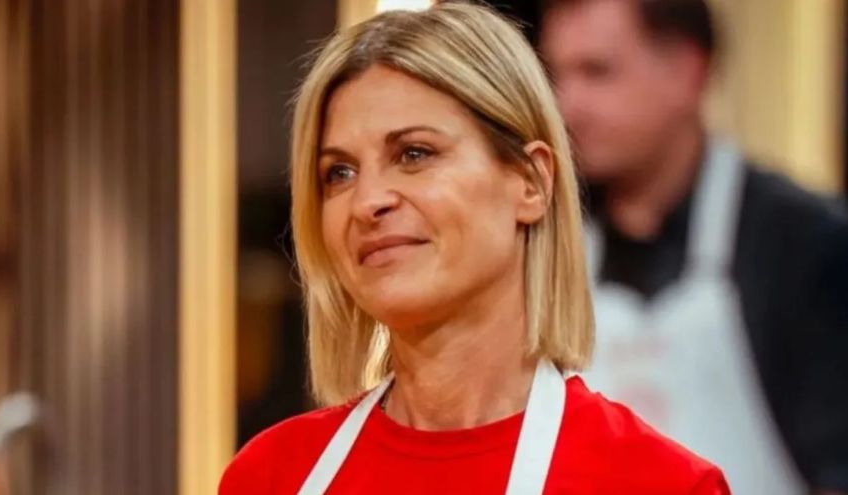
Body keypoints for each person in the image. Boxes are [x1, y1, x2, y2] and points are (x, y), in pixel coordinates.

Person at [220, 3, 730, 494]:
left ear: (531, 182)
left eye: (414, 153)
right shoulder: (270, 476)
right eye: (339, 172)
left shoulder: (662, 485)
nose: (368, 200)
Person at [539, 0, 848, 493]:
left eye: (597, 72)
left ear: (687, 72)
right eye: (557, 75)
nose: (566, 104)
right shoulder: (545, 244)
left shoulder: (806, 243)